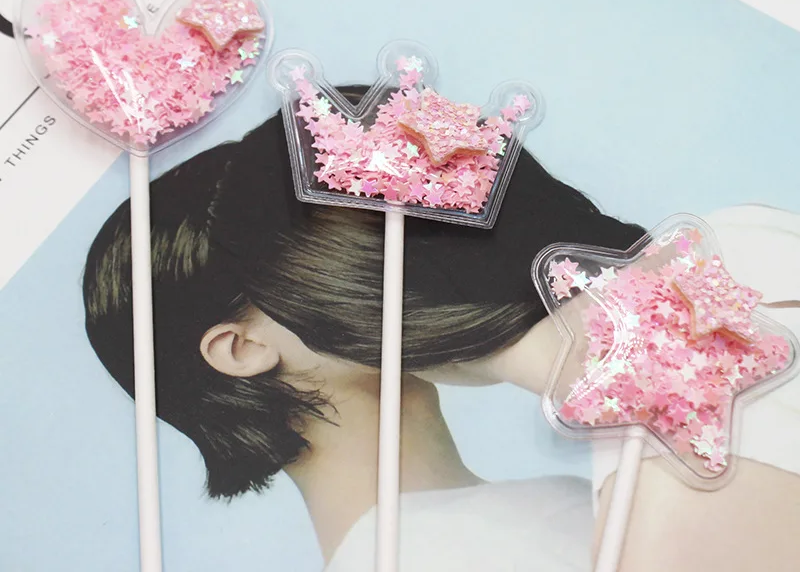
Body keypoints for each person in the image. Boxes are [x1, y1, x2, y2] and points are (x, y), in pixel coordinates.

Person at [83, 89, 643, 570]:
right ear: (242, 348)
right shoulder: (457, 551)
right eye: (318, 247)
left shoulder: (511, 522)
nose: (397, 240)